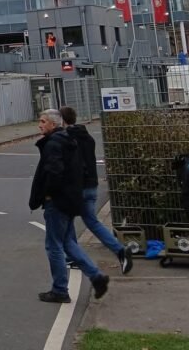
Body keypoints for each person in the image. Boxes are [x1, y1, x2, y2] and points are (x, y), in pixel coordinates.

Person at [29, 109, 109, 303]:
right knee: (67, 242)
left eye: (43, 121)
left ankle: (60, 289)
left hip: (58, 201)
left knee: (54, 245)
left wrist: (48, 194)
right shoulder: (68, 141)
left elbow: (53, 172)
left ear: (53, 124)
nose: (39, 125)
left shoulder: (54, 144)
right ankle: (96, 276)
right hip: (71, 199)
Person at [61, 106, 132, 274]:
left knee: (67, 220)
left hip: (76, 187)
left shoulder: (65, 139)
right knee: (92, 222)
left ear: (62, 120)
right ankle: (120, 250)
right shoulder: (87, 137)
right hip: (91, 185)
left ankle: (72, 257)